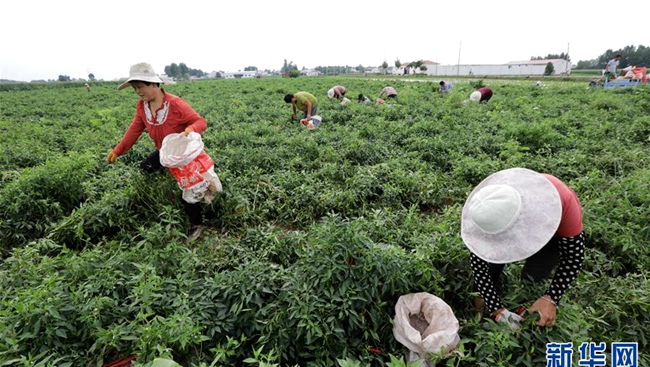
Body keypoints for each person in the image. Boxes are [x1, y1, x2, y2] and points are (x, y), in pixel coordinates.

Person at [461, 167, 584, 329]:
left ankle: (530, 310)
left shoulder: (560, 201)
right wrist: (496, 309)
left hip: (551, 229)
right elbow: (479, 264)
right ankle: (481, 306)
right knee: (491, 266)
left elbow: (573, 257)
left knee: (534, 276)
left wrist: (551, 298)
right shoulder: (485, 209)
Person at [106, 62, 209, 242]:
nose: (138, 91)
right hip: (164, 152)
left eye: (140, 87)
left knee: (187, 190)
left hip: (182, 154)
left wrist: (190, 129)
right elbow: (134, 129)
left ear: (153, 84)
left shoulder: (176, 104)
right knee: (146, 167)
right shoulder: (142, 107)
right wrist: (118, 150)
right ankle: (165, 189)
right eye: (135, 88)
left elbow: (200, 121)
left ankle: (197, 224)